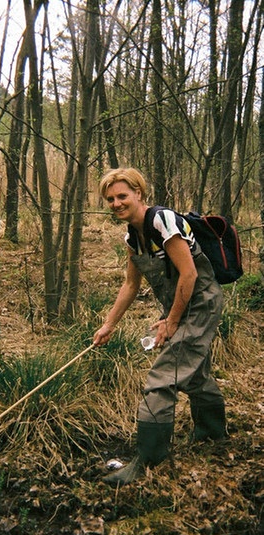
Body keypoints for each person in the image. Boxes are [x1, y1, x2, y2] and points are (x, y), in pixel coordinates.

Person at [93, 167, 227, 485]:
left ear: (139, 193)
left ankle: (148, 460)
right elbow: (130, 285)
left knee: (161, 379)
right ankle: (212, 436)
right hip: (179, 308)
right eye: (110, 199)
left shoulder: (162, 220)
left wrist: (172, 321)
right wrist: (108, 325)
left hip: (201, 305)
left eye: (122, 196)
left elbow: (190, 275)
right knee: (193, 372)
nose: (116, 203)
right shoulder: (132, 236)